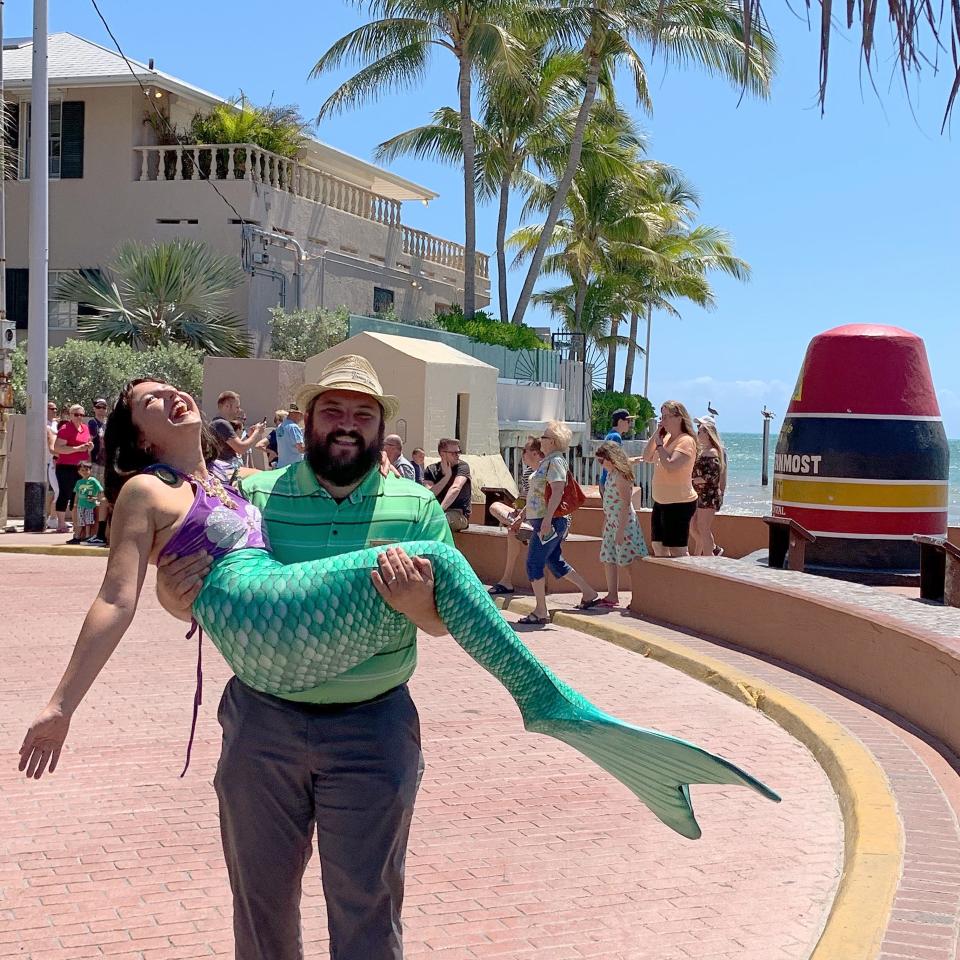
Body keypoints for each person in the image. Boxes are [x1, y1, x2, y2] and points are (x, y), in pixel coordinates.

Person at [19, 366, 780, 953]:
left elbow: (440, 624)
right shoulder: (163, 489)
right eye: (151, 401)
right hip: (263, 701)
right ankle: (547, 702)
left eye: (362, 414)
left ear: (380, 428)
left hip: (366, 722)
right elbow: (119, 596)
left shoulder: (233, 481)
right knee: (263, 909)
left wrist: (417, 609)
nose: (171, 398)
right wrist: (65, 701)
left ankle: (551, 704)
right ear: (139, 434)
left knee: (368, 907)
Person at [509, 421, 599, 624]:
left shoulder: (555, 461)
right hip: (545, 520)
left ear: (553, 441)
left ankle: (541, 610)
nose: (541, 439)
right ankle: (588, 592)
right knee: (554, 560)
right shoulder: (548, 461)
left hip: (550, 521)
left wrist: (547, 520)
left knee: (534, 563)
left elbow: (557, 491)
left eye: (545, 437)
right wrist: (523, 515)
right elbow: (538, 495)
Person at [487, 437, 544, 596]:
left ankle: (506, 580)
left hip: (541, 518)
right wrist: (517, 509)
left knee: (513, 532)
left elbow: (538, 500)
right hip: (526, 515)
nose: (522, 455)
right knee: (496, 508)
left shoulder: (545, 472)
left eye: (524, 451)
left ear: (535, 453)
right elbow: (525, 498)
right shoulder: (527, 474)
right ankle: (506, 581)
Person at [642, 400, 698, 558]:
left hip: (679, 503)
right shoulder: (665, 438)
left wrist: (660, 447)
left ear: (679, 418)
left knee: (677, 550)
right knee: (658, 547)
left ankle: (685, 581)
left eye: (666, 417)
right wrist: (656, 435)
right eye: (662, 417)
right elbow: (647, 456)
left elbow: (671, 464)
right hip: (661, 501)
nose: (663, 420)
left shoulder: (686, 441)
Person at [595, 441, 648, 606]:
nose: (601, 465)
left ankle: (639, 597)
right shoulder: (612, 474)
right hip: (612, 522)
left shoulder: (620, 476)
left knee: (629, 561)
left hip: (623, 524)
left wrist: (621, 530)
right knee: (608, 558)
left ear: (610, 459)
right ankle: (612, 594)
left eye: (601, 461)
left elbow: (625, 504)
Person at [53, 404, 93, 533]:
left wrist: (89, 447)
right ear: (70, 415)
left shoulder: (85, 428)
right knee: (65, 493)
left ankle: (78, 523)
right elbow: (58, 448)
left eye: (81, 415)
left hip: (81, 467)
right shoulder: (65, 429)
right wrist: (76, 449)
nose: (79, 417)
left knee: (79, 494)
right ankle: (61, 523)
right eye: (76, 414)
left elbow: (86, 446)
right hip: (65, 466)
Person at [691, 415, 727, 557]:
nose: (697, 434)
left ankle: (708, 557)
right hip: (700, 494)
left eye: (700, 431)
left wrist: (696, 480)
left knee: (703, 527)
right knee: (694, 526)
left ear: (707, 433)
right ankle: (708, 552)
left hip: (708, 495)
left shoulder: (713, 452)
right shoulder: (702, 451)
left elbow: (713, 476)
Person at [423, 438, 472, 531]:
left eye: (458, 452)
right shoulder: (431, 469)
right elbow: (429, 494)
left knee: (439, 520)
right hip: (435, 513)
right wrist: (447, 476)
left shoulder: (463, 467)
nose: (457, 456)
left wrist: (440, 511)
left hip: (458, 514)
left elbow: (456, 488)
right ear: (442, 454)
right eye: (453, 453)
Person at [210, 390, 266, 472]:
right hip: (226, 470)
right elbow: (241, 449)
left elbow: (235, 447)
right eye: (237, 407)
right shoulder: (222, 424)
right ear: (227, 406)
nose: (238, 410)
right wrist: (256, 432)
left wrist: (249, 435)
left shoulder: (216, 423)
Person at [598, 408, 636, 494]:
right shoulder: (616, 437)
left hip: (605, 480)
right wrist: (633, 461)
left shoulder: (610, 435)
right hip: (611, 482)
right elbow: (616, 462)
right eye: (628, 421)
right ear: (620, 421)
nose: (630, 424)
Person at [68, 462, 104, 544]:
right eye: (82, 470)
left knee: (88, 521)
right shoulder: (79, 482)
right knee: (80, 521)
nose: (84, 472)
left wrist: (96, 499)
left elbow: (101, 491)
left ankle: (88, 536)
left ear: (90, 470)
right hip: (81, 505)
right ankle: (78, 536)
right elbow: (77, 493)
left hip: (89, 505)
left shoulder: (93, 481)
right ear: (79, 471)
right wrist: (75, 503)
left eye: (86, 470)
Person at [46, 402, 63, 532]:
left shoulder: (55, 424)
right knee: (57, 491)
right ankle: (52, 518)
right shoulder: (45, 425)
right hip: (51, 461)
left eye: (56, 408)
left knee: (59, 491)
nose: (54, 410)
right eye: (52, 408)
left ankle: (54, 518)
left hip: (58, 461)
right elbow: (52, 448)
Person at [274, 403, 306, 468]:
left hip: (281, 465)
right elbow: (300, 448)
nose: (302, 418)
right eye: (301, 415)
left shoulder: (280, 426)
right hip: (293, 466)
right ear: (296, 414)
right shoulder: (294, 427)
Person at [88, 399, 109, 485]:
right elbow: (89, 442)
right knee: (93, 487)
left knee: (103, 488)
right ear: (94, 408)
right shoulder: (92, 423)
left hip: (107, 462)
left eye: (104, 407)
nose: (101, 409)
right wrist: (88, 462)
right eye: (98, 407)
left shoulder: (109, 424)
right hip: (95, 461)